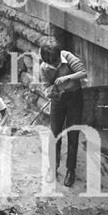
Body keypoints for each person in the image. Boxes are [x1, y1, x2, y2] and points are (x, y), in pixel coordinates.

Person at [39, 40, 87, 188]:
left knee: (73, 135)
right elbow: (46, 86)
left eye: (55, 60)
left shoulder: (69, 57)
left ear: (60, 55)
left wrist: (67, 77)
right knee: (55, 135)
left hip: (74, 98)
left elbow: (83, 72)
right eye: (50, 62)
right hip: (58, 101)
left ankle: (70, 171)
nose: (53, 64)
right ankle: (53, 167)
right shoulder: (44, 67)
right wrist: (50, 93)